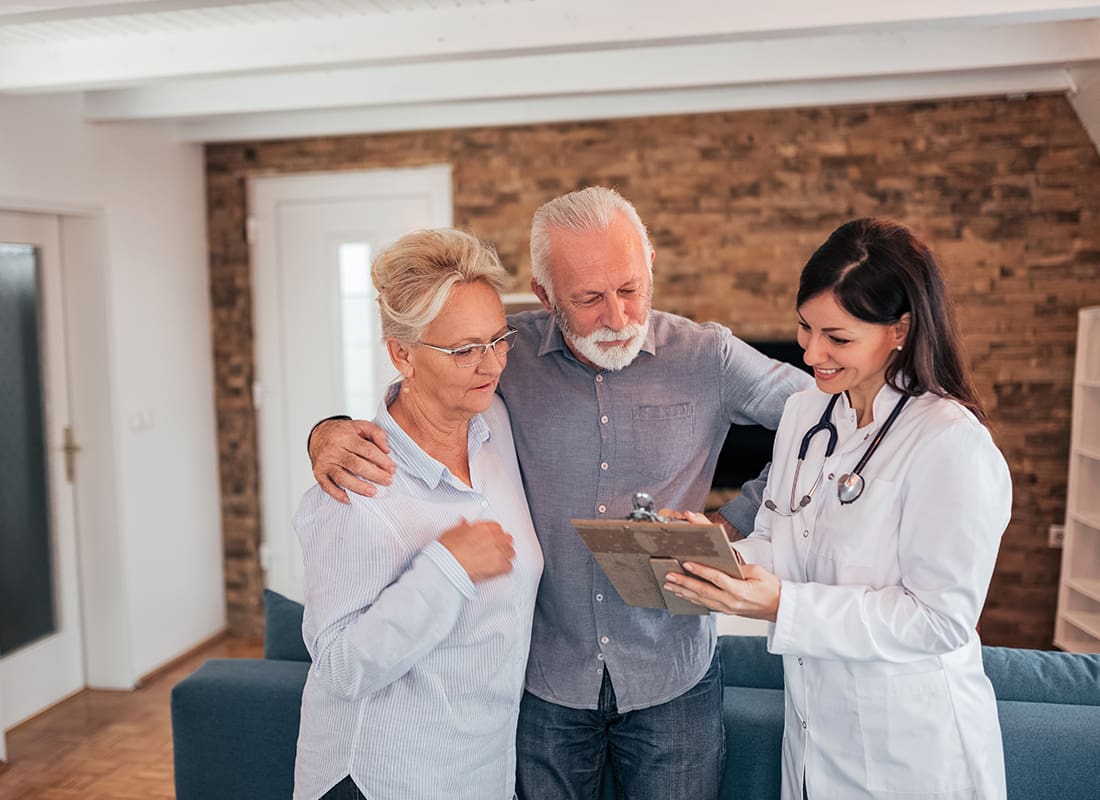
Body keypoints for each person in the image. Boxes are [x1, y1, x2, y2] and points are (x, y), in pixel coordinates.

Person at [309, 187, 811, 799]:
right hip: (546, 683)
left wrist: (735, 519)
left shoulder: (708, 356)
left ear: (651, 264)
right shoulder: (501, 354)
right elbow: (423, 386)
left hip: (672, 677)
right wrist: (327, 432)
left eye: (631, 289)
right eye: (589, 299)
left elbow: (824, 417)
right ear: (545, 297)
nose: (619, 317)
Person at [663, 217, 1011, 799]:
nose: (812, 352)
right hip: (815, 730)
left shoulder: (950, 442)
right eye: (804, 328)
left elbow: (939, 619)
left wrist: (785, 605)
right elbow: (781, 536)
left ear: (900, 330)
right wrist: (717, 552)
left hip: (912, 749)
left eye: (838, 338)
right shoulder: (806, 414)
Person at [292, 228, 543, 800]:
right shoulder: (356, 486)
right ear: (402, 353)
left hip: (479, 772)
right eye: (464, 351)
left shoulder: (493, 428)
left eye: (498, 340)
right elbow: (341, 668)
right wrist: (446, 569)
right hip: (382, 778)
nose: (491, 364)